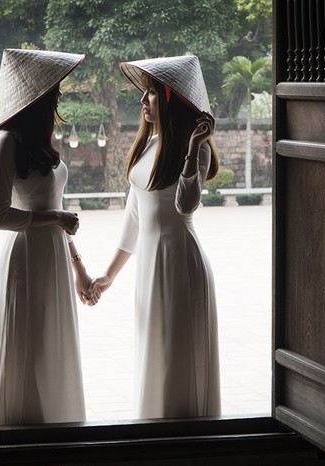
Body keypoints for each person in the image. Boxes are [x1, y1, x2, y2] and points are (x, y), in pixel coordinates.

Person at [90, 55, 221, 419]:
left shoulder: (197, 150)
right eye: (145, 94)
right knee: (155, 351)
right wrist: (108, 276)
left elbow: (185, 206)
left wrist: (194, 149)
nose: (143, 102)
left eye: (150, 94)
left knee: (176, 353)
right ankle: (155, 430)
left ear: (168, 101)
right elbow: (134, 218)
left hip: (179, 259)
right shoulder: (148, 146)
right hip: (150, 264)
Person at [0, 48, 98, 426]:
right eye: (55, 92)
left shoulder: (41, 143)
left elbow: (59, 214)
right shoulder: (6, 142)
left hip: (53, 259)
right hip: (25, 259)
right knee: (27, 350)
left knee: (52, 349)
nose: (60, 98)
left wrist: (79, 267)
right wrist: (53, 216)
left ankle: (57, 431)